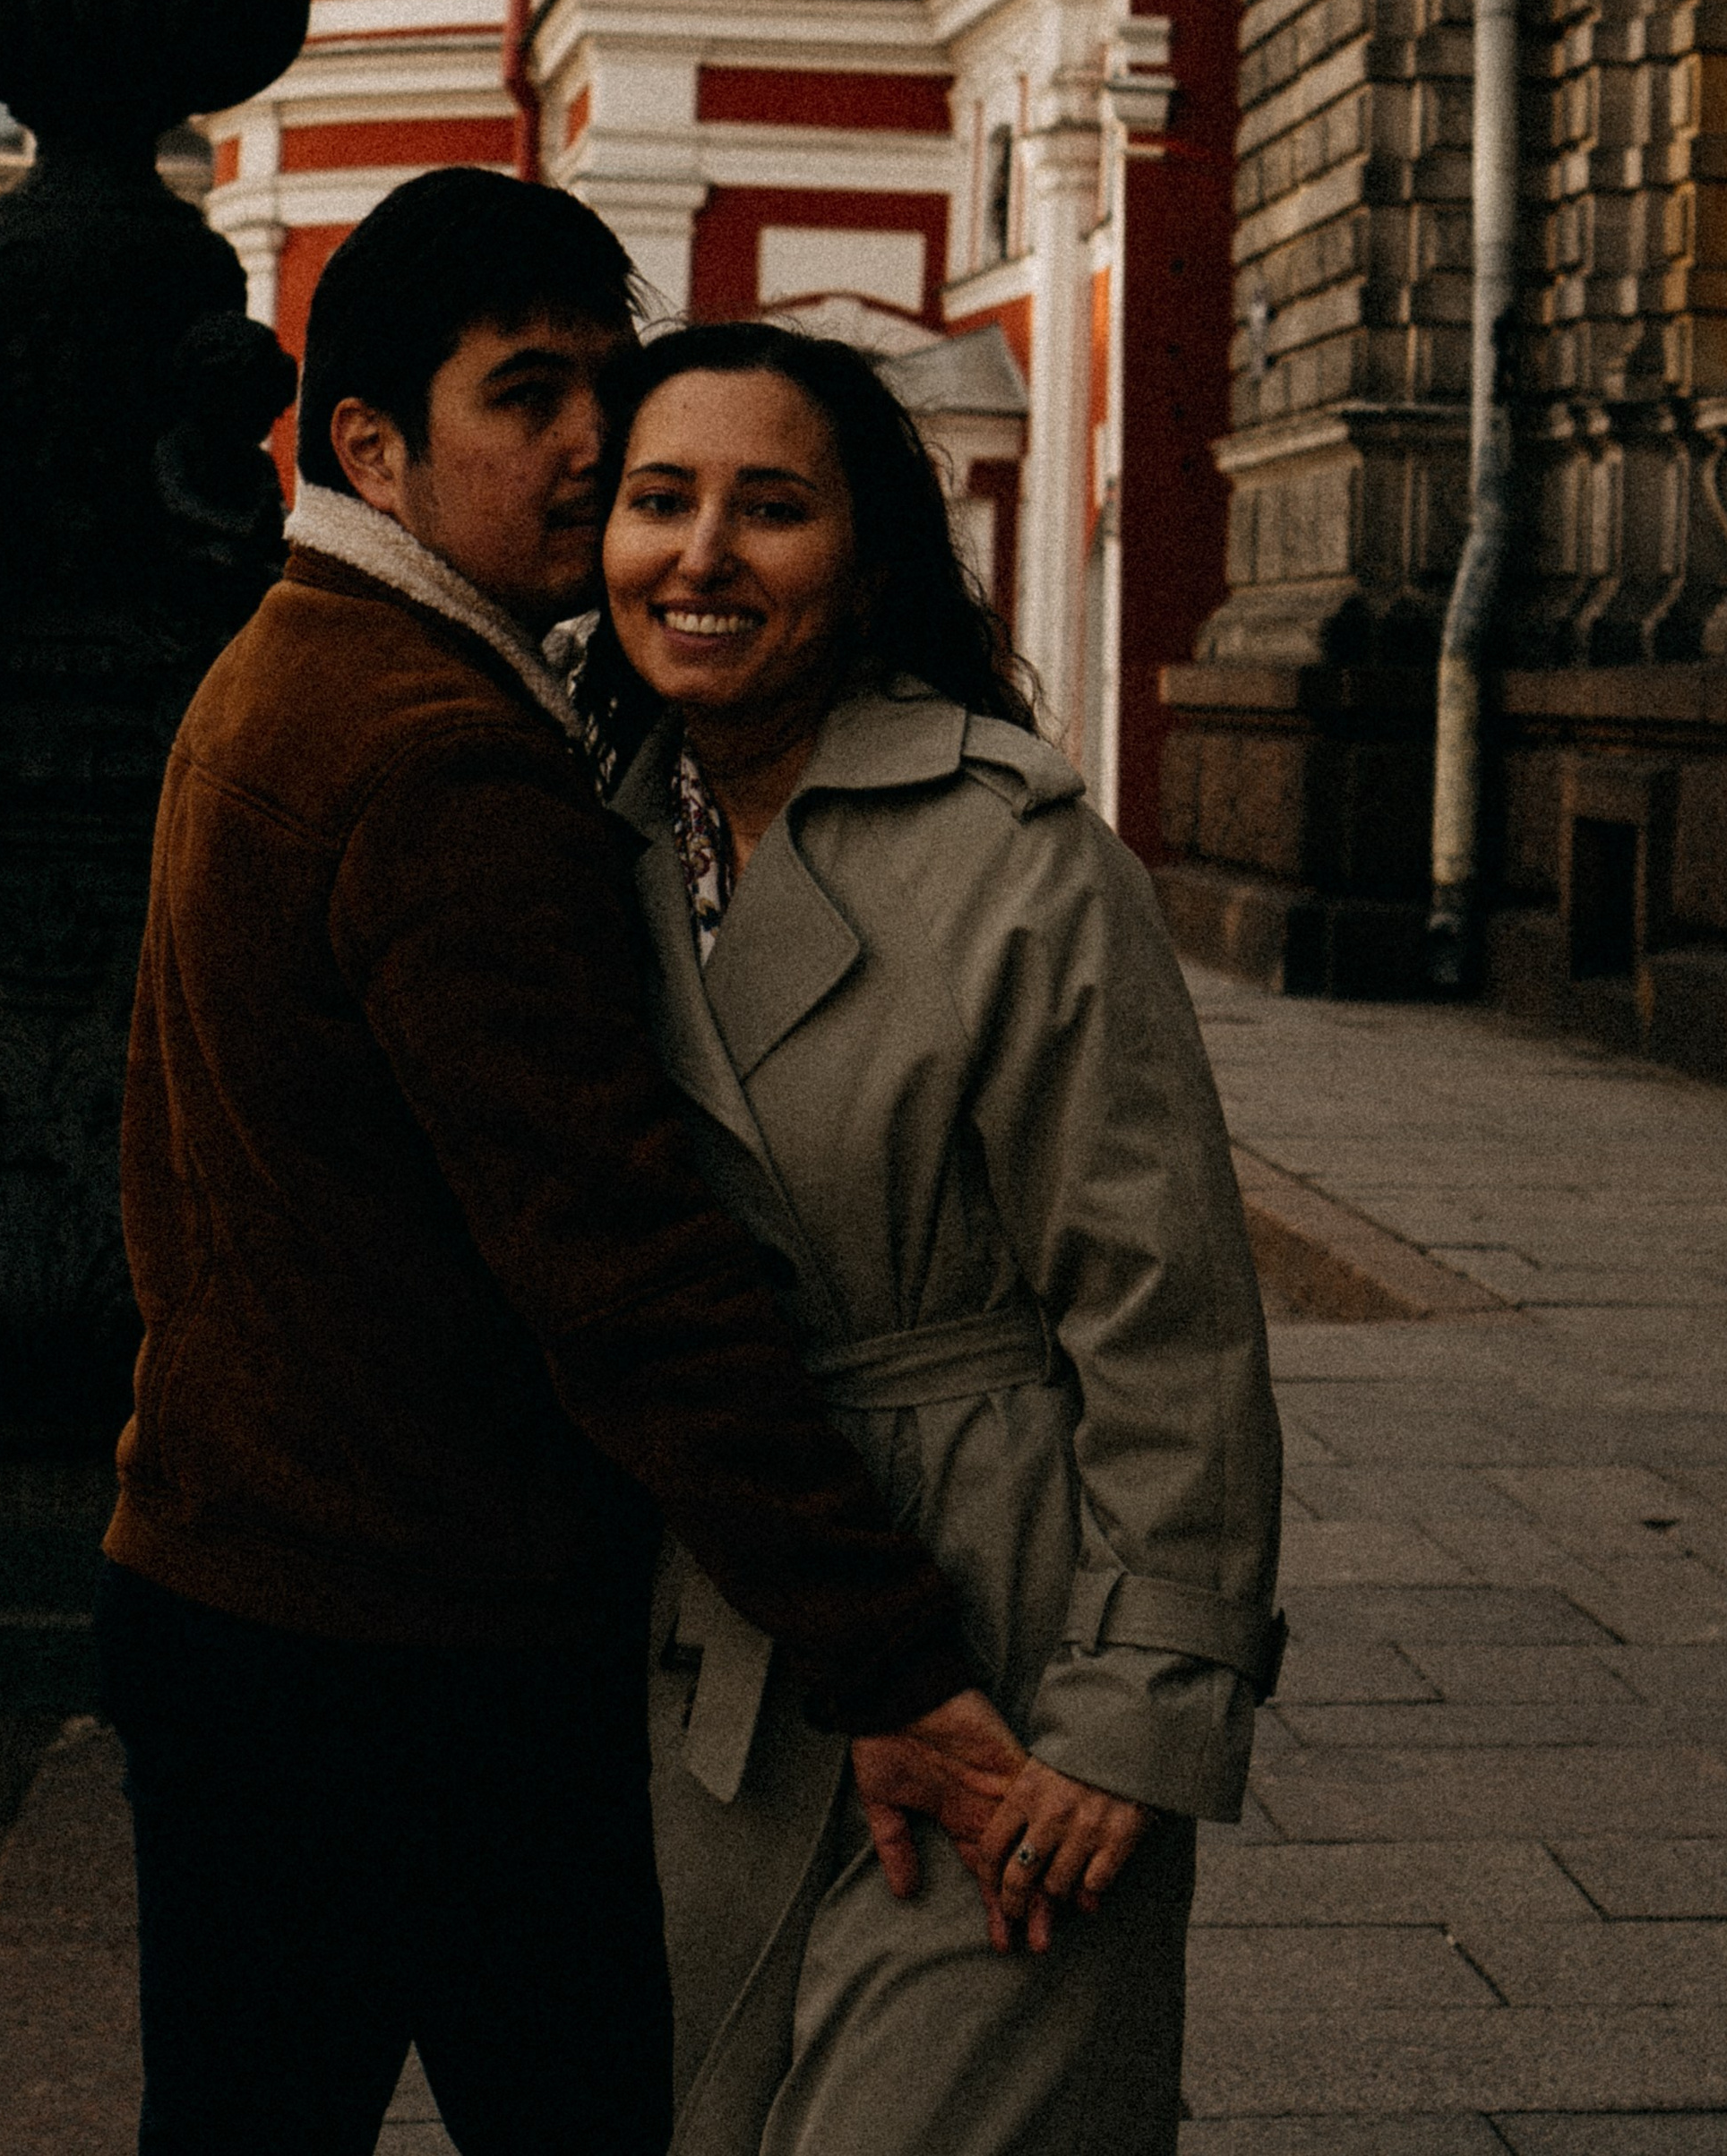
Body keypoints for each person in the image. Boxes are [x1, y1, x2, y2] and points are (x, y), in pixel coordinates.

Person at [97, 175, 1026, 2156]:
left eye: (605, 384)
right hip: (413, 1657)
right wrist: (890, 1648)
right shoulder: (438, 754)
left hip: (245, 1593)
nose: (595, 443)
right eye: (526, 395)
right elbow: (617, 1265)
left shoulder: (295, 660)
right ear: (371, 444)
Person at [588, 322, 1285, 2156]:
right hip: (725, 1653)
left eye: (770, 509)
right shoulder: (589, 852)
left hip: (1008, 1624)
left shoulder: (1016, 852)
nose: (701, 557)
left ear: (868, 554)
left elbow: (1165, 1315)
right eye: (658, 503)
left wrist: (1137, 1704)